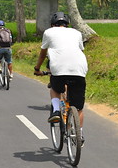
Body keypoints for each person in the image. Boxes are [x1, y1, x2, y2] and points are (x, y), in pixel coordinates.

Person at [33, 12, 88, 145]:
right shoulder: (76, 33)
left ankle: (56, 111)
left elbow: (42, 54)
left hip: (58, 69)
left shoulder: (49, 32)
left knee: (55, 89)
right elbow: (79, 50)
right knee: (78, 108)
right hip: (79, 69)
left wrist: (37, 69)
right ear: (67, 24)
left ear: (53, 24)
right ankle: (79, 133)